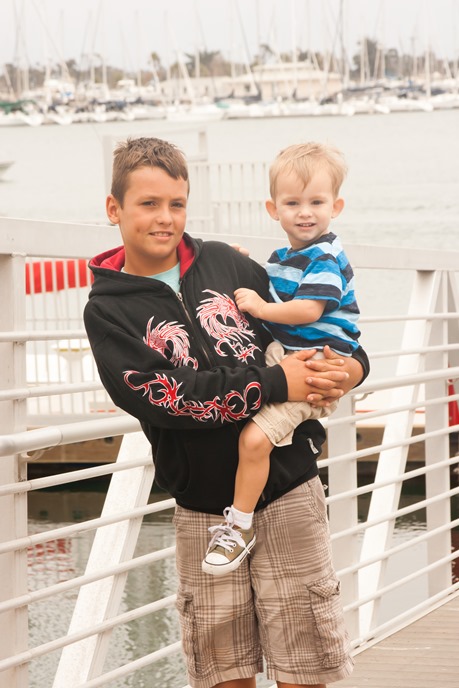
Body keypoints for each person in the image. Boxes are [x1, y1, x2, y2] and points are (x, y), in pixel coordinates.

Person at [84, 136, 369, 688]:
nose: (165, 218)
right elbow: (169, 397)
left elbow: (311, 326)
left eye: (177, 204)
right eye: (148, 203)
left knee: (305, 670)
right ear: (114, 208)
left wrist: (354, 368)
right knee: (224, 675)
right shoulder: (108, 312)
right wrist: (275, 381)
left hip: (289, 491)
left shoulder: (225, 262)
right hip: (204, 510)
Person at [202, 142, 360, 577]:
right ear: (274, 209)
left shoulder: (325, 256)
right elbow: (269, 288)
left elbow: (307, 310)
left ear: (336, 206)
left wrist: (260, 306)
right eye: (293, 203)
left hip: (315, 366)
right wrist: (238, 264)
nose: (305, 213)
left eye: (316, 202)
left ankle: (239, 525)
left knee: (254, 441)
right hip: (291, 356)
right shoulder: (286, 259)